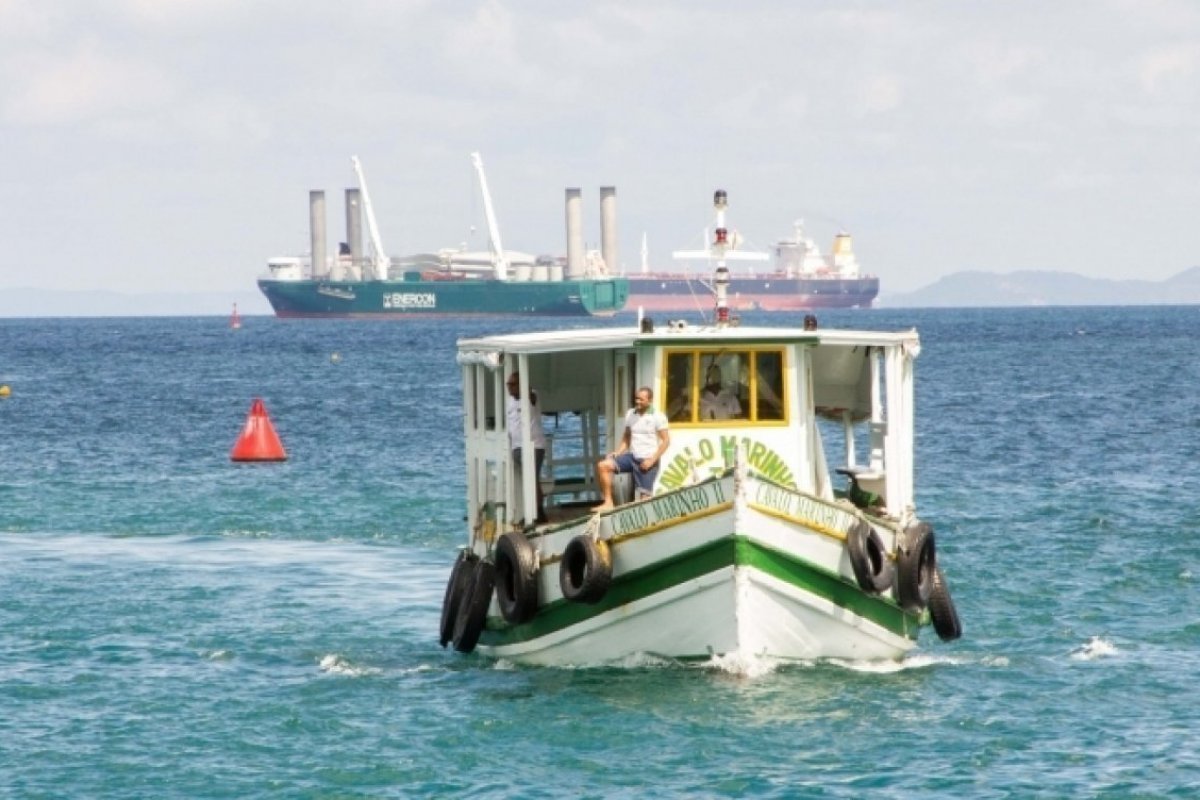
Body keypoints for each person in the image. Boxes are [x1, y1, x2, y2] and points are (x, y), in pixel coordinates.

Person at [592, 386, 670, 511]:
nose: (638, 402)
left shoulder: (657, 416)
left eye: (641, 399)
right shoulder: (630, 414)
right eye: (636, 398)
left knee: (645, 499)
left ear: (649, 401)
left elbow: (666, 441)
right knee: (603, 466)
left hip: (648, 459)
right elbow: (627, 436)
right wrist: (618, 452)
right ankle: (608, 503)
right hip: (632, 456)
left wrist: (652, 460)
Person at [506, 373, 548, 524]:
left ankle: (536, 512)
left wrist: (525, 388)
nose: (509, 387)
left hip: (534, 446)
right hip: (517, 446)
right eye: (508, 384)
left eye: (513, 384)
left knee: (532, 479)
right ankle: (537, 511)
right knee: (530, 480)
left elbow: (531, 395)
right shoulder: (510, 401)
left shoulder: (531, 397)